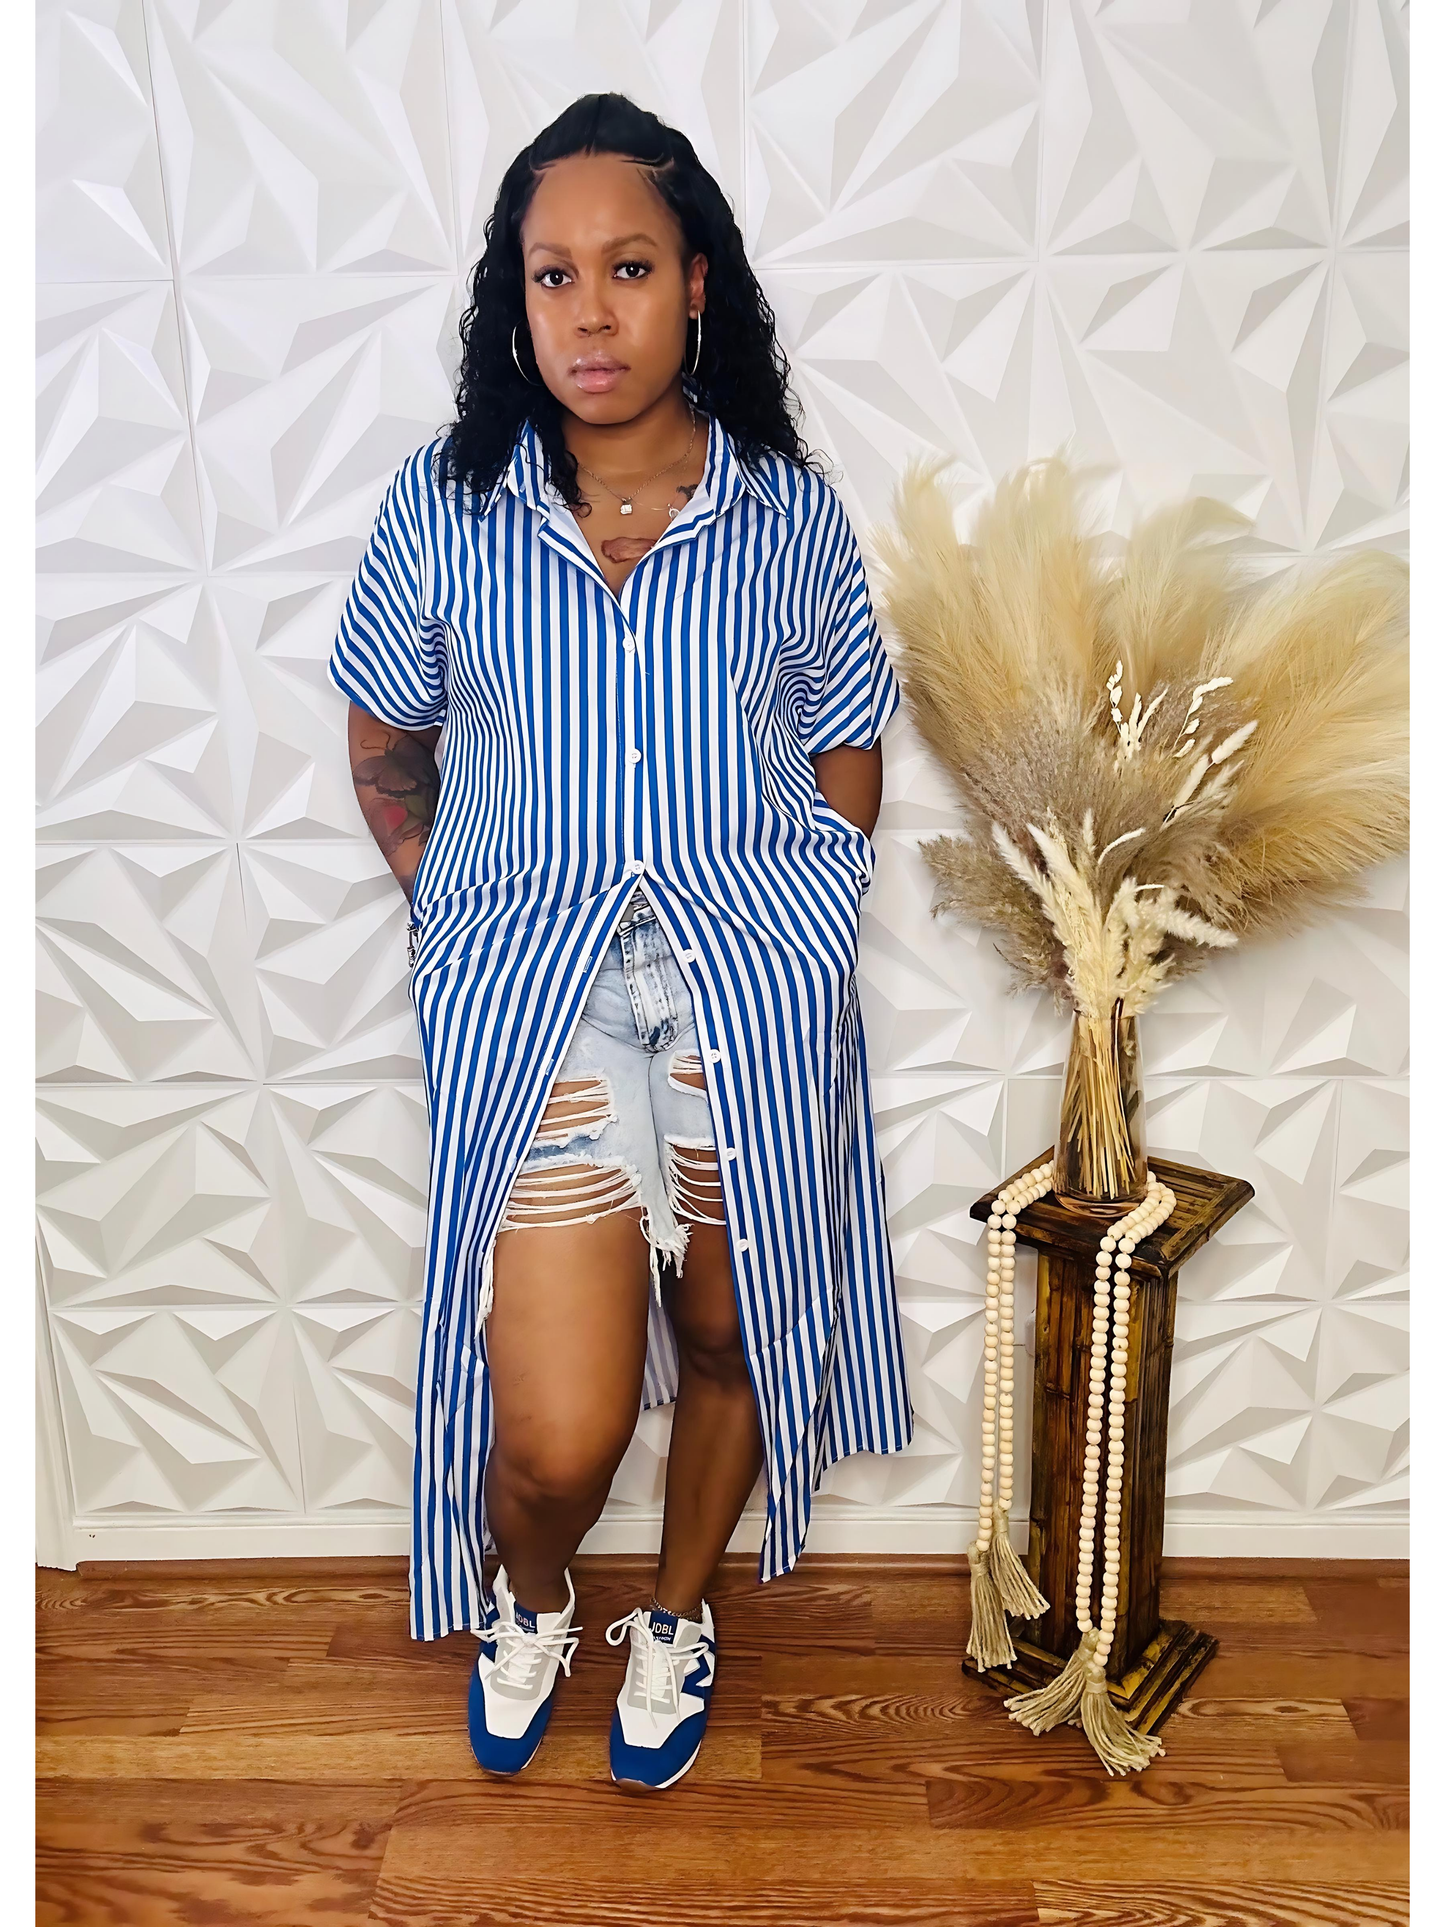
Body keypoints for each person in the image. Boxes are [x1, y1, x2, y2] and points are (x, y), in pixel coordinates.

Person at [328, 92, 915, 1793]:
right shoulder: (448, 507)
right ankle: (534, 1594)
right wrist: (456, 907)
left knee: (736, 1331)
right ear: (514, 300)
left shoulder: (786, 514)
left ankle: (676, 1610)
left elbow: (848, 733)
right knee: (557, 1424)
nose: (590, 312)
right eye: (553, 274)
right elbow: (386, 732)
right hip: (544, 1000)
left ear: (698, 284)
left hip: (749, 990)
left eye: (631, 267)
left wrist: (811, 909)